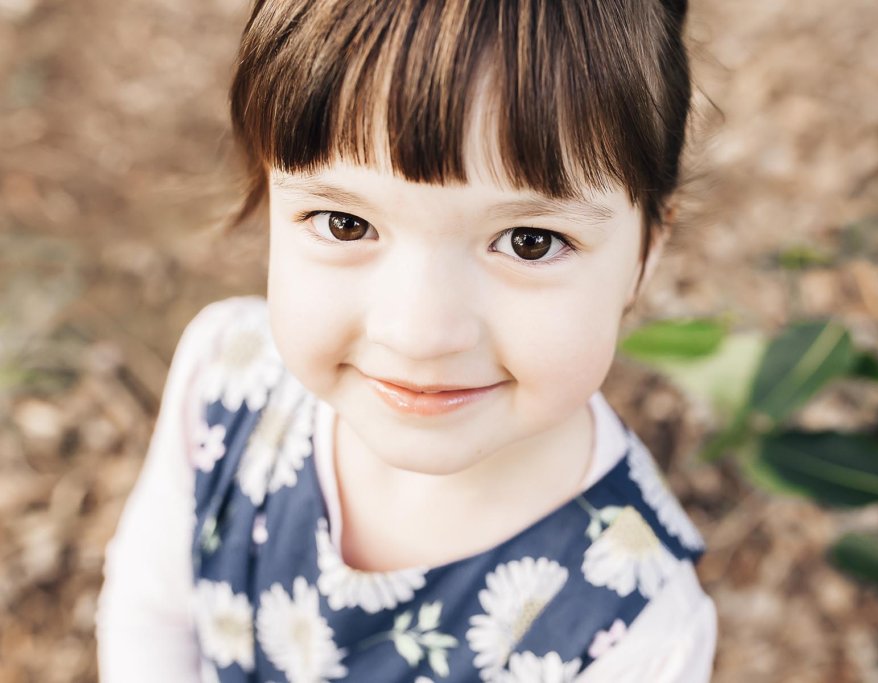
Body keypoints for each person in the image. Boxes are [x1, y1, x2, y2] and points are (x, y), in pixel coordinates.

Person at [95, 0, 717, 680]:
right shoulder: (225, 380)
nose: (419, 334)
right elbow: (152, 616)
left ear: (647, 250)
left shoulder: (633, 629)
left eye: (529, 241)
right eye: (343, 223)